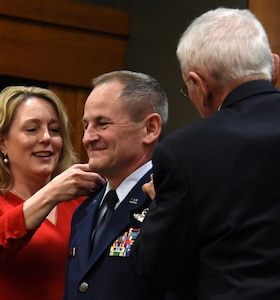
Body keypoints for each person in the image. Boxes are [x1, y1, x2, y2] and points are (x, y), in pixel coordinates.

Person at [131, 7, 280, 300]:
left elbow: (155, 270)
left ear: (199, 85)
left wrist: (159, 204)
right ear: (274, 68)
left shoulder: (184, 152)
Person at [0, 86, 105, 300]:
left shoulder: (82, 198)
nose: (46, 138)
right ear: (2, 143)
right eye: (32, 129)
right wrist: (51, 193)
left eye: (54, 130)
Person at [63, 70, 192, 299]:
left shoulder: (169, 202)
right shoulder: (85, 209)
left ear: (150, 128)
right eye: (86, 125)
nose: (88, 138)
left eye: (102, 124)